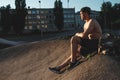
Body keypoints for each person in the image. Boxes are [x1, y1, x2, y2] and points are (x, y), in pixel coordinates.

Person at [49, 7, 102, 73]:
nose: (80, 15)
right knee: (75, 53)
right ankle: (59, 68)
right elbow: (85, 37)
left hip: (95, 44)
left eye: (81, 14)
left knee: (74, 39)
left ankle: (73, 62)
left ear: (85, 13)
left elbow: (84, 35)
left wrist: (77, 34)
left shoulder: (92, 21)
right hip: (89, 44)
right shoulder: (85, 24)